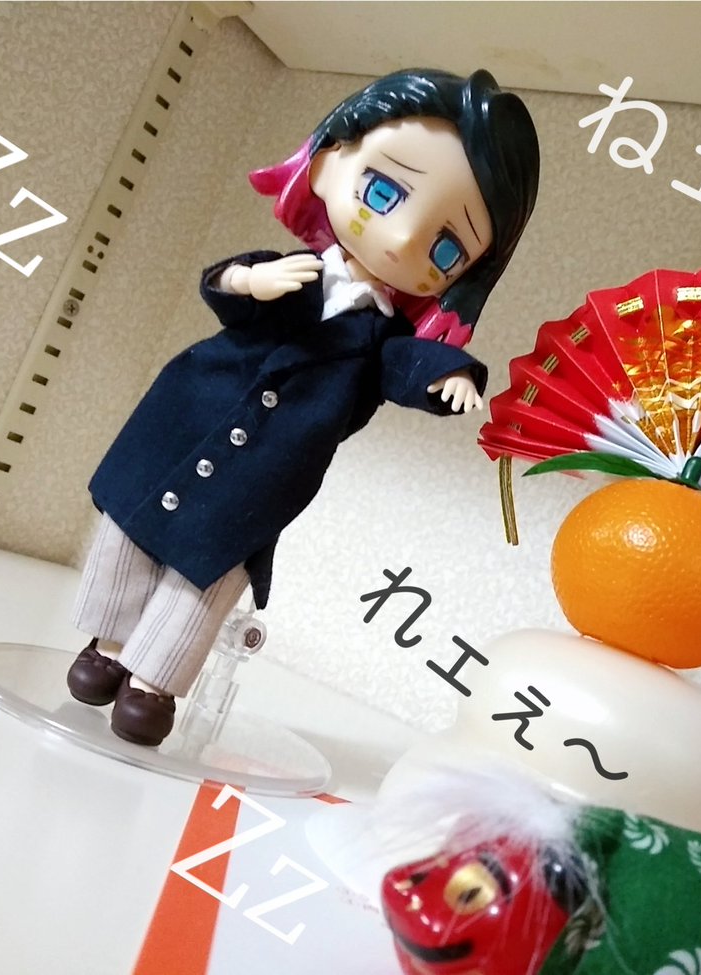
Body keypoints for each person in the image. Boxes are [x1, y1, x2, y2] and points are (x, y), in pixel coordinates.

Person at [65, 68, 541, 747]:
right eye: (384, 191)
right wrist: (247, 279)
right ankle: (108, 645)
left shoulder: (381, 338)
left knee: (209, 567)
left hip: (263, 476)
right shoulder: (294, 274)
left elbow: (406, 365)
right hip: (179, 422)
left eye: (446, 248)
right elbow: (228, 288)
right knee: (130, 529)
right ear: (326, 163)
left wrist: (452, 374)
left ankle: (151, 682)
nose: (403, 238)